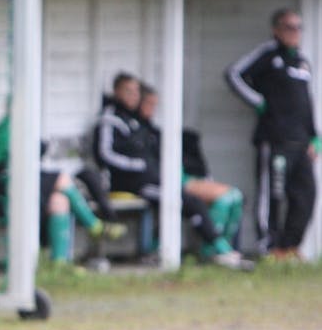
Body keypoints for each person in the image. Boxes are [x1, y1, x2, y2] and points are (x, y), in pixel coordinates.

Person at [95, 72, 253, 270]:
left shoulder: (139, 122)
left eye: (136, 92)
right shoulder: (110, 119)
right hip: (130, 183)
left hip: (154, 179)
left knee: (211, 198)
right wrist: (139, 166)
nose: (133, 96)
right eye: (128, 91)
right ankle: (216, 250)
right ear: (117, 92)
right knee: (183, 200)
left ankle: (218, 248)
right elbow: (104, 154)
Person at [0, 112, 126, 269]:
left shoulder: (24, 130)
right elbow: (0, 168)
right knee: (60, 179)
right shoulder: (2, 134)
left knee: (59, 200)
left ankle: (59, 263)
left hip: (17, 188)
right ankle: (93, 225)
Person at [224, 8, 320, 260]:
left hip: (301, 142)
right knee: (272, 196)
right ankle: (269, 247)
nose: (295, 32)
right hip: (274, 139)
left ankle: (290, 247)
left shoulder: (302, 62)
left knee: (306, 195)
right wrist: (258, 102)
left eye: (298, 27)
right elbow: (233, 74)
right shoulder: (268, 54)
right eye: (289, 27)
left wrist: (314, 136)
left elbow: (306, 103)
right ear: (276, 30)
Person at [138, 84, 246, 252]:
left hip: (179, 177)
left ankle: (225, 247)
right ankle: (214, 250)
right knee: (222, 199)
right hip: (161, 181)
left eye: (154, 104)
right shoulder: (137, 132)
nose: (152, 109)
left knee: (235, 196)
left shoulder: (154, 132)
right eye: (148, 103)